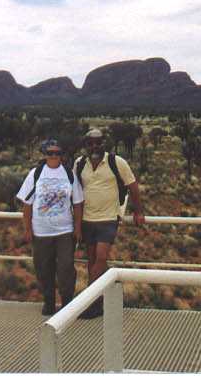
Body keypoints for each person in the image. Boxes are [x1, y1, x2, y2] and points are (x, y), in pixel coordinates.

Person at [75, 127, 145, 317]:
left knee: (100, 258)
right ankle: (103, 297)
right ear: (85, 145)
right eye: (91, 143)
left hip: (108, 219)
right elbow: (75, 193)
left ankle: (89, 302)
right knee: (91, 261)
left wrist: (138, 211)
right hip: (87, 219)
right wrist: (77, 223)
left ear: (104, 143)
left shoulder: (117, 162)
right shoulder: (79, 164)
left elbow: (133, 187)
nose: (95, 146)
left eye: (98, 142)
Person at [16, 138, 84, 316]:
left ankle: (67, 304)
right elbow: (27, 204)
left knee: (66, 268)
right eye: (50, 153)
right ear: (44, 155)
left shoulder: (69, 174)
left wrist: (77, 228)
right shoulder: (36, 174)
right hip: (41, 232)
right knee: (43, 269)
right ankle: (49, 302)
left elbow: (77, 203)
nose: (53, 156)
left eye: (57, 153)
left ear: (62, 155)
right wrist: (28, 229)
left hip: (64, 231)